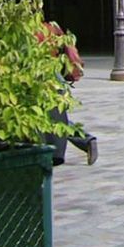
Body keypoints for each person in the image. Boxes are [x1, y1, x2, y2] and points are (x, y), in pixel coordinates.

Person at [36, 20, 98, 166]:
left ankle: (82, 141)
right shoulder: (52, 27)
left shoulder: (31, 32)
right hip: (54, 76)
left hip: (42, 77)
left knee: (48, 118)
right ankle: (85, 140)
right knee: (54, 117)